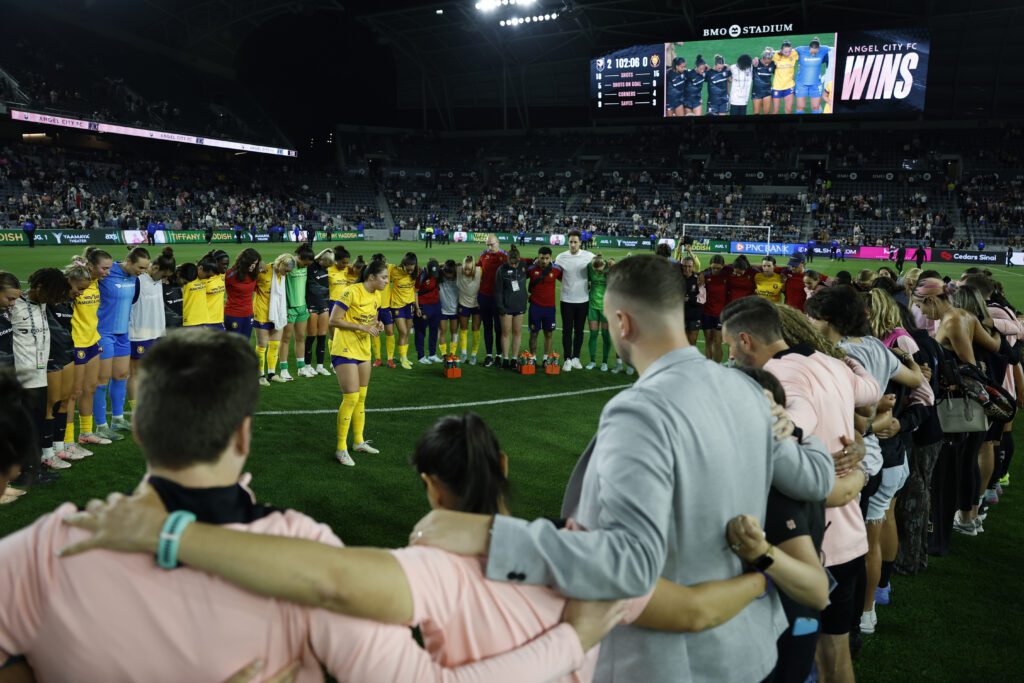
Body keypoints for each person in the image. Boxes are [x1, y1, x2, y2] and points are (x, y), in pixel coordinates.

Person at [2, 329, 600, 682]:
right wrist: (570, 642)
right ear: (244, 433)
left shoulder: (48, 548)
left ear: (139, 431)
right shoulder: (308, 555)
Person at [407, 255, 838, 683]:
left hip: (669, 663)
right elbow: (816, 480)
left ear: (622, 322)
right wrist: (798, 431)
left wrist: (494, 537)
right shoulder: (746, 389)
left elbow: (630, 563)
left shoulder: (640, 410)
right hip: (749, 652)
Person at [721, 296, 880, 683]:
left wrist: (781, 424)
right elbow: (871, 393)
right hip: (849, 535)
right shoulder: (830, 363)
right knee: (836, 658)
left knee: (776, 662)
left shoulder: (781, 373)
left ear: (745, 340)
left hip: (804, 542)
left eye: (728, 345)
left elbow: (800, 415)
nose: (728, 354)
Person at [805, 286, 924, 636]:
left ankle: (843, 618)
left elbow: (856, 418)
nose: (808, 322)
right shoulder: (875, 346)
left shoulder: (834, 356)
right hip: (874, 454)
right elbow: (915, 380)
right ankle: (864, 612)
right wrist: (914, 366)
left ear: (827, 320)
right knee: (866, 535)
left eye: (812, 316)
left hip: (848, 453)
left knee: (841, 544)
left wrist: (877, 417)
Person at [330, 260, 389, 466]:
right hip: (344, 349)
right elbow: (333, 320)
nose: (386, 281)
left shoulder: (377, 296)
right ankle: (341, 448)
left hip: (363, 350)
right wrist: (363, 328)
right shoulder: (351, 292)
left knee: (362, 397)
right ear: (371, 277)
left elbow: (372, 319)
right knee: (351, 398)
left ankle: (358, 441)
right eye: (383, 277)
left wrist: (377, 324)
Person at [94, 247, 151, 441]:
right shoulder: (106, 274)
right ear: (128, 261)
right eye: (140, 267)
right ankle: (100, 425)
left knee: (122, 375)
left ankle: (117, 419)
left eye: (145, 268)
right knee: (102, 381)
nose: (143, 272)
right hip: (103, 332)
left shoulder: (135, 278)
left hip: (122, 333)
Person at [11, 270, 59, 476]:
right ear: (38, 287)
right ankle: (24, 469)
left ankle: (34, 464)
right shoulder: (13, 307)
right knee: (25, 425)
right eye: (50, 294)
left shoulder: (43, 303)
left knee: (37, 421)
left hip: (40, 373)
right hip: (22, 376)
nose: (52, 299)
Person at [44, 265, 93, 466]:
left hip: (67, 353)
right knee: (51, 403)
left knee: (64, 401)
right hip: (50, 358)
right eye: (79, 288)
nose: (80, 293)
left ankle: (59, 447)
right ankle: (46, 453)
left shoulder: (68, 302)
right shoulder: (47, 301)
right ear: (68, 281)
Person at [71, 248, 113, 448]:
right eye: (104, 268)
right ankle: (66, 441)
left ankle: (86, 432)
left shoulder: (95, 283)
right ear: (91, 266)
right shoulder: (74, 284)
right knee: (73, 393)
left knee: (90, 388)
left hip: (92, 342)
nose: (108, 272)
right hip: (76, 343)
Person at [127, 248, 176, 409]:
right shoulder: (138, 280)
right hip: (139, 335)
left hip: (158, 333)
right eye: (164, 275)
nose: (165, 280)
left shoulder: (157, 279)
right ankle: (136, 410)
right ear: (155, 268)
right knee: (136, 374)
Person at [555, 229, 595, 372]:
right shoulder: (560, 257)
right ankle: (567, 359)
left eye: (575, 242)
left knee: (579, 331)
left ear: (580, 242)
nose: (572, 245)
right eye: (570, 242)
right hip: (566, 299)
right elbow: (556, 273)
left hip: (583, 299)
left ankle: (576, 357)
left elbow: (597, 270)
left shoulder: (589, 256)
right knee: (566, 330)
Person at [253, 254, 293, 385]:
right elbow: (250, 285)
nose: (287, 273)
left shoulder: (282, 275)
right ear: (280, 264)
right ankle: (259, 375)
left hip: (278, 314)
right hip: (262, 313)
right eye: (286, 270)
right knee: (262, 346)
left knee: (275, 345)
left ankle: (271, 373)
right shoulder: (263, 271)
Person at [280, 245, 314, 379]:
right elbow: (275, 268)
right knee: (286, 339)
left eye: (308, 265)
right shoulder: (288, 265)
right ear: (299, 258)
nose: (306, 266)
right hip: (289, 308)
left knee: (300, 338)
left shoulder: (304, 264)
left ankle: (301, 368)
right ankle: (283, 369)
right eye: (305, 264)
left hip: (302, 308)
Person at [494, 246, 530, 369]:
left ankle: (514, 359)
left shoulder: (524, 265)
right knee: (505, 333)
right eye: (511, 263)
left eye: (516, 263)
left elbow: (534, 262)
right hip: (506, 307)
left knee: (517, 332)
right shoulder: (501, 270)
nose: (514, 266)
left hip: (520, 305)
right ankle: (505, 358)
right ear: (507, 259)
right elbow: (498, 291)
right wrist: (500, 307)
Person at [476, 236, 508, 368]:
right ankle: (489, 355)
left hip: (498, 298)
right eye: (487, 245)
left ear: (498, 243)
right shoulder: (483, 256)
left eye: (491, 245)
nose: (489, 247)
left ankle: (499, 355)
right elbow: (477, 270)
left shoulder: (504, 256)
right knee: (487, 327)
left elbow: (518, 262)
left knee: (499, 327)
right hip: (484, 296)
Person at [526, 247, 561, 362]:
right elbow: (519, 279)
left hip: (550, 308)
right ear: (538, 257)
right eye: (542, 258)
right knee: (534, 334)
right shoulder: (531, 269)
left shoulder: (556, 269)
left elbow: (568, 280)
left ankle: (546, 358)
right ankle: (533, 358)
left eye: (547, 258)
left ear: (551, 258)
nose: (544, 261)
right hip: (535, 307)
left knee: (548, 334)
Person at [388, 252, 420, 370]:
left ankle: (405, 357)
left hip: (409, 305)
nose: (410, 272)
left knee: (407, 332)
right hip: (397, 305)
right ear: (404, 265)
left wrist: (416, 306)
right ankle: (402, 358)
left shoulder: (416, 272)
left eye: (412, 269)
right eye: (408, 269)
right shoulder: (395, 271)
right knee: (403, 332)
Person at [304, 249, 333, 376]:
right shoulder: (310, 267)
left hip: (324, 304)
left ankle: (320, 366)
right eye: (326, 264)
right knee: (311, 336)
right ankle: (307, 365)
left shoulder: (327, 268)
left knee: (322, 336)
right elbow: (315, 258)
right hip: (311, 305)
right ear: (321, 260)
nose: (328, 267)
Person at [223, 248, 262, 342]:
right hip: (233, 314)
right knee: (233, 346)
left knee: (245, 345)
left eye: (256, 263)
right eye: (252, 263)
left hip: (248, 315)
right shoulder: (230, 274)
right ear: (244, 261)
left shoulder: (254, 275)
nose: (253, 266)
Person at [585, 255, 615, 371]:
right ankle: (592, 361)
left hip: (606, 307)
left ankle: (604, 362)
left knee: (606, 335)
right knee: (593, 334)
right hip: (592, 305)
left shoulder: (610, 267)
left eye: (600, 269)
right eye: (595, 269)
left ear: (604, 265)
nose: (597, 271)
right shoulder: (589, 267)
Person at [414, 259, 443, 365]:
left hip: (436, 305)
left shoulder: (439, 272)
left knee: (434, 330)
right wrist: (417, 307)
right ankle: (421, 356)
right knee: (421, 331)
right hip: (424, 305)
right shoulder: (421, 276)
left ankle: (432, 355)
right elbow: (415, 292)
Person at [701, 254, 728, 363]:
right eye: (713, 268)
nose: (715, 270)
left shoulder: (727, 275)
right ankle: (709, 365)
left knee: (717, 342)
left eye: (718, 268)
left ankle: (717, 366)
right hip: (706, 313)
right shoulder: (705, 276)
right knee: (708, 341)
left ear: (723, 266)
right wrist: (703, 273)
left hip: (720, 314)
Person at [457, 256, 483, 365]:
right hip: (463, 303)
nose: (467, 271)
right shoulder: (459, 270)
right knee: (463, 328)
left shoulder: (478, 271)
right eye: (465, 269)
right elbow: (448, 264)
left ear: (473, 267)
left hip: (477, 304)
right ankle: (463, 353)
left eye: (469, 269)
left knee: (475, 328)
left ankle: (473, 355)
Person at [794, 38, 830, 114]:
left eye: (815, 51)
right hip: (801, 84)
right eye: (812, 51)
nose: (813, 53)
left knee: (816, 107)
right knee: (800, 107)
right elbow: (789, 52)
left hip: (815, 85)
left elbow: (833, 49)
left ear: (819, 48)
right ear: (809, 47)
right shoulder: (801, 49)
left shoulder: (823, 49)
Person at [438, 260, 460, 359]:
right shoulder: (440, 276)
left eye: (450, 274)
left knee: (454, 331)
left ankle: (452, 353)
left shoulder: (459, 277)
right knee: (442, 331)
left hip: (455, 310)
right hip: (443, 310)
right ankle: (443, 354)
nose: (448, 276)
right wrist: (442, 265)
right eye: (446, 274)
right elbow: (433, 265)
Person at [681, 256, 703, 348]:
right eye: (684, 266)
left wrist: (689, 299)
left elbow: (702, 299)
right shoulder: (676, 278)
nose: (687, 269)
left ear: (693, 266)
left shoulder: (699, 279)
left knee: (692, 343)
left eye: (689, 266)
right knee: (682, 343)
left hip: (694, 314)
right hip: (680, 315)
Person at [771, 40, 799, 114]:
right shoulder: (775, 55)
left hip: (789, 86)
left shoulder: (794, 53)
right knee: (775, 111)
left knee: (788, 110)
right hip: (777, 86)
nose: (788, 53)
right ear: (781, 50)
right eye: (785, 52)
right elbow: (766, 56)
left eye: (789, 51)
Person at [752, 48, 775, 115]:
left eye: (769, 61)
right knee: (756, 113)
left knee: (766, 112)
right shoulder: (756, 63)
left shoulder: (773, 64)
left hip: (767, 91)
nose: (767, 64)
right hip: (756, 92)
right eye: (766, 61)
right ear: (763, 58)